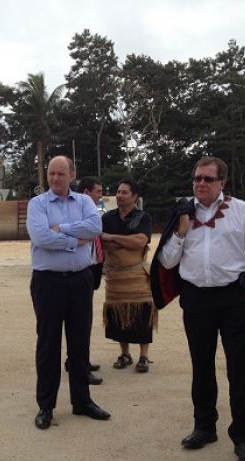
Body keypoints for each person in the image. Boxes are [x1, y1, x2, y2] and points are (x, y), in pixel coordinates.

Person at [157, 156, 245, 461]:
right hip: (196, 300)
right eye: (197, 178)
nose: (201, 184)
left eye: (208, 179)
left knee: (240, 370)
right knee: (201, 366)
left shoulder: (243, 211)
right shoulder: (182, 212)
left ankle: (243, 436)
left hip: (235, 299)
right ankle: (204, 427)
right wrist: (180, 230)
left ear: (222, 182)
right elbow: (167, 263)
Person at [27, 155, 110, 430]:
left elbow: (96, 228)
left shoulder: (86, 202)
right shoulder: (37, 204)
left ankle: (82, 400)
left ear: (71, 175)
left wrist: (61, 229)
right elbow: (41, 238)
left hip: (80, 281)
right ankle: (46, 406)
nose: (55, 179)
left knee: (79, 342)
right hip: (48, 283)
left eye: (61, 174)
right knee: (48, 344)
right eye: (51, 174)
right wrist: (77, 240)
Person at [101, 178, 155, 373]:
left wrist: (112, 238)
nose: (119, 196)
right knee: (117, 314)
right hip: (115, 277)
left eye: (124, 192)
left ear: (135, 197)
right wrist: (125, 241)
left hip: (136, 276)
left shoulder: (143, 217)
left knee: (141, 312)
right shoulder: (107, 218)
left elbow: (141, 242)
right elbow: (102, 243)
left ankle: (144, 356)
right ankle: (125, 353)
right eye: (118, 192)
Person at [71, 176, 105, 385]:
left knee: (84, 321)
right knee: (80, 323)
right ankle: (79, 365)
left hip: (91, 269)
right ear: (86, 192)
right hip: (81, 268)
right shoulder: (78, 214)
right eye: (98, 192)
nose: (101, 196)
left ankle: (78, 360)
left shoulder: (93, 213)